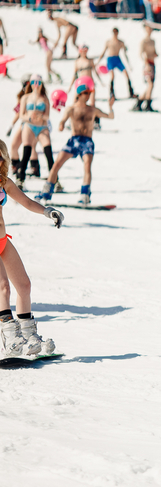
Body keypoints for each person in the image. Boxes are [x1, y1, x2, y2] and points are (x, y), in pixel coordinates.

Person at [0, 139, 63, 357]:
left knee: (24, 286)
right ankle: (10, 339)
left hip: (2, 241)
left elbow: (26, 202)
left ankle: (28, 335)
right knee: (3, 288)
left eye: (0, 157)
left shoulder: (3, 182)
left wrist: (48, 211)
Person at [37, 79, 113, 206]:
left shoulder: (92, 109)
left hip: (87, 141)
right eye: (86, 93)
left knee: (87, 165)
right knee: (56, 164)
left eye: (89, 93)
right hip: (74, 140)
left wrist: (111, 107)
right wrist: (61, 125)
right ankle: (46, 192)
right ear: (79, 94)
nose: (88, 95)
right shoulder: (71, 109)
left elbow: (110, 117)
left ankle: (85, 194)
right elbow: (62, 121)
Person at [14, 75, 50, 186]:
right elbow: (21, 115)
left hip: (41, 127)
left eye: (38, 82)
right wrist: (29, 118)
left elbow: (47, 116)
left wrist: (40, 116)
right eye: (34, 82)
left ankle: (54, 179)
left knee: (48, 151)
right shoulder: (26, 97)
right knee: (27, 151)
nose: (36, 85)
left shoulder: (44, 98)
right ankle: (20, 178)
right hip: (29, 125)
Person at [96, 27, 134, 99]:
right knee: (112, 76)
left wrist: (128, 64)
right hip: (110, 59)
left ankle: (131, 92)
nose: (115, 34)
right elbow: (103, 52)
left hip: (117, 58)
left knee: (126, 74)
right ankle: (111, 93)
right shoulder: (109, 42)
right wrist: (98, 62)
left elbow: (125, 54)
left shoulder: (120, 42)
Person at [135, 24, 158, 112]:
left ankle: (139, 102)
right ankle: (147, 104)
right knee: (150, 84)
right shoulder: (144, 41)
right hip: (147, 63)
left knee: (150, 85)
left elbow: (154, 51)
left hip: (152, 63)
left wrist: (155, 54)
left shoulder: (152, 41)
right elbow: (142, 53)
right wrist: (146, 63)